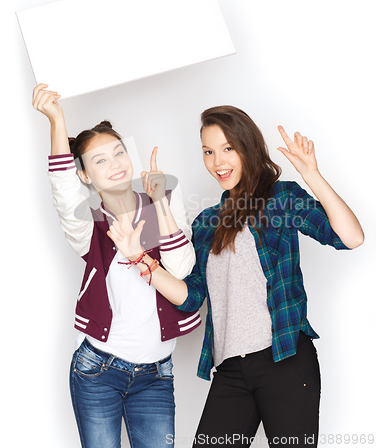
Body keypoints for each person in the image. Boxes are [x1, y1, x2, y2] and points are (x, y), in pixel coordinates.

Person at [107, 105, 364, 448]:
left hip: (285, 360)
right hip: (230, 370)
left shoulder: (281, 198)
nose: (218, 161)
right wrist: (141, 260)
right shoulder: (206, 223)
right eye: (209, 152)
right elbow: (192, 297)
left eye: (228, 148)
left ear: (248, 147)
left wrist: (312, 175)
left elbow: (351, 238)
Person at [32, 83, 201, 448]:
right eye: (100, 160)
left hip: (157, 375)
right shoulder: (87, 221)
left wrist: (159, 205)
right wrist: (56, 121)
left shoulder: (164, 197)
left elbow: (182, 267)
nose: (115, 164)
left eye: (119, 152)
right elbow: (62, 189)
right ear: (85, 175)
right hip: (97, 371)